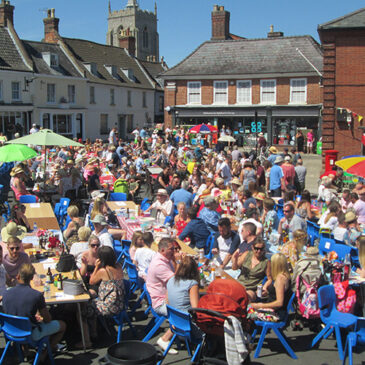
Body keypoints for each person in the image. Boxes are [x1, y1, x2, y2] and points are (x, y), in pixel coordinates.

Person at [2, 263, 66, 357]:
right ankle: (43, 355)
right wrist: (41, 318)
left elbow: (14, 310)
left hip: (10, 331)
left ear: (18, 276)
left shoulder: (6, 294)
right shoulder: (36, 295)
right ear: (32, 278)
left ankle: (26, 351)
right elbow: (48, 320)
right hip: (30, 334)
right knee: (62, 325)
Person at [146, 237, 179, 354]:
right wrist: (181, 263)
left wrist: (175, 260)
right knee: (187, 310)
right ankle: (165, 338)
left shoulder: (165, 259)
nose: (174, 251)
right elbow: (178, 282)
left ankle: (183, 333)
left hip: (167, 297)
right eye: (172, 249)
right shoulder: (159, 265)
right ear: (163, 250)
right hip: (161, 303)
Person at [249, 253, 291, 322]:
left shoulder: (280, 279)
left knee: (245, 309)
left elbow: (279, 302)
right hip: (275, 310)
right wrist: (267, 292)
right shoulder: (285, 276)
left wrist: (259, 305)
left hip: (276, 313)